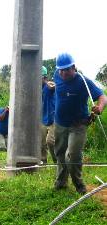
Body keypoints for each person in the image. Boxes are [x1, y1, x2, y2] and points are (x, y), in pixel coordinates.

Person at [53, 53, 107, 194]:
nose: (63, 73)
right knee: (59, 153)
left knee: (72, 155)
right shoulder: (56, 75)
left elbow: (102, 96)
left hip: (78, 125)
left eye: (67, 69)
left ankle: (79, 185)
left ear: (74, 67)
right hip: (59, 123)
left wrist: (99, 108)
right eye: (61, 69)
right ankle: (61, 182)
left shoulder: (83, 81)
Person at [41, 66, 57, 164]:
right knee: (41, 143)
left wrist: (49, 83)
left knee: (50, 141)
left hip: (54, 118)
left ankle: (57, 161)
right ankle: (43, 162)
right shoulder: (37, 88)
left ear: (44, 77)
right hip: (43, 119)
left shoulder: (49, 86)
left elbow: (55, 86)